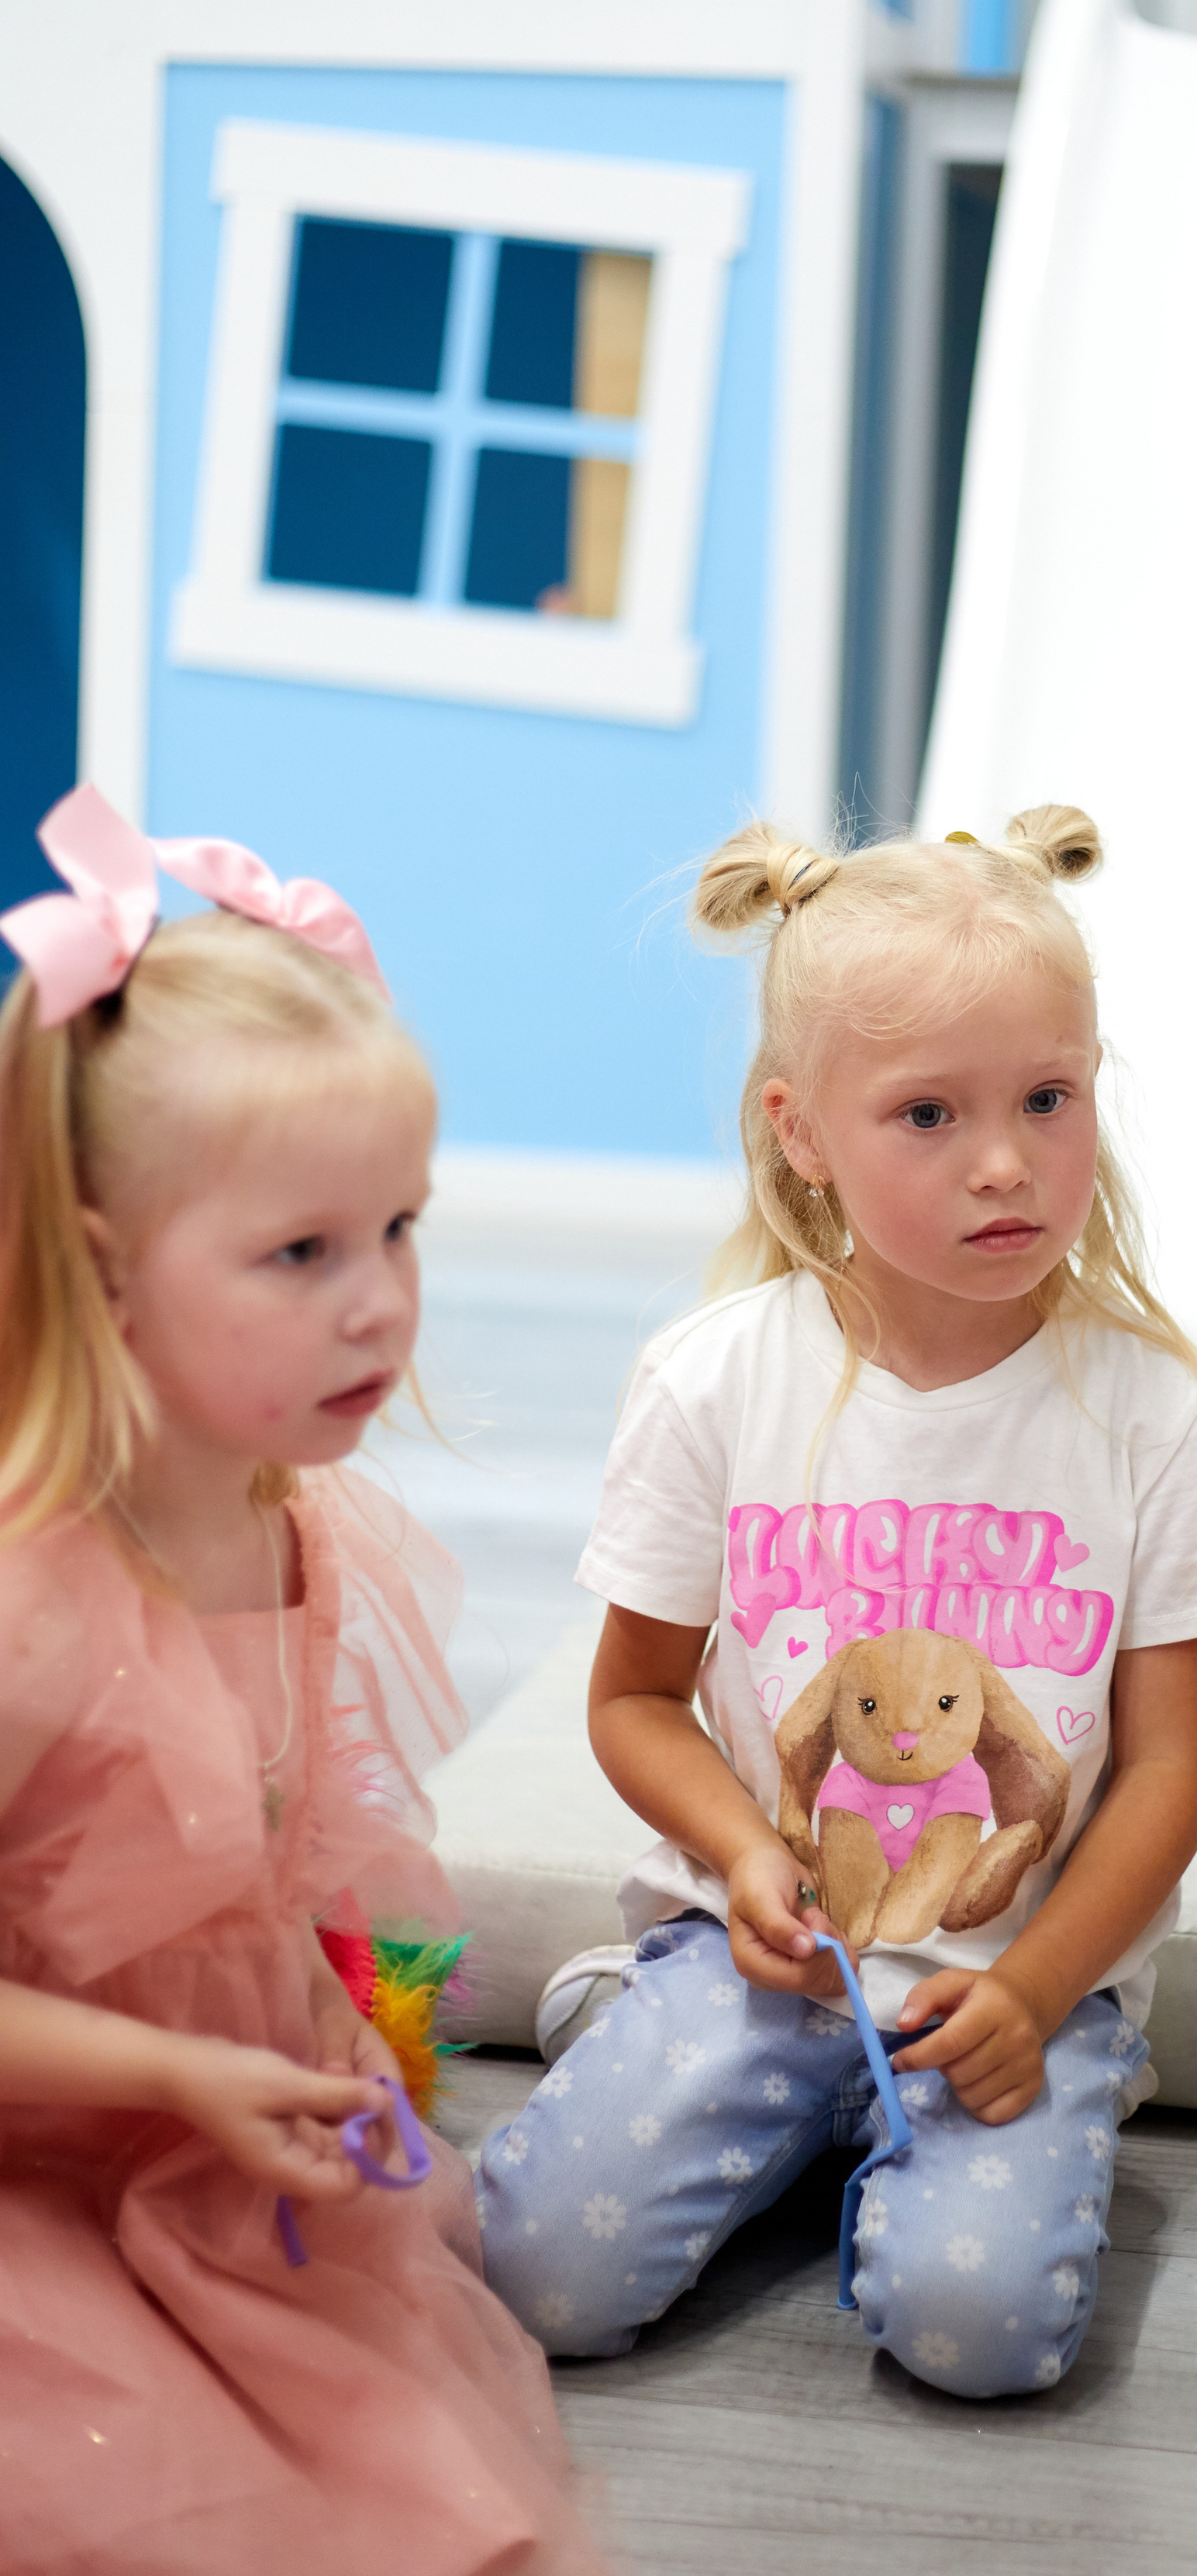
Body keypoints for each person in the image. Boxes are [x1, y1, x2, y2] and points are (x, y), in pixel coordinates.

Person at [477, 807, 1197, 2395]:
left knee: (977, 2334)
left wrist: (1037, 1991)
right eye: (927, 1113)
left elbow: (1169, 1769)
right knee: (534, 2278)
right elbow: (634, 1700)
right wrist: (740, 1852)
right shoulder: (717, 1379)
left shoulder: (1150, 1411)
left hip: (1010, 1983)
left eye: (1048, 1097)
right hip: (760, 1963)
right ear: (802, 1132)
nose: (1007, 1161)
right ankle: (663, 2033)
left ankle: (994, 2110)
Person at [0, 788, 605, 2573]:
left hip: (211, 2129)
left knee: (421, 2489)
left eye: (399, 1228)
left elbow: (296, 1848)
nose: (380, 1304)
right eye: (302, 1253)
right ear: (104, 1273)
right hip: (44, 2150)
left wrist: (335, 2013)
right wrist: (170, 2071)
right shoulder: (35, 1605)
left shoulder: (287, 1523)